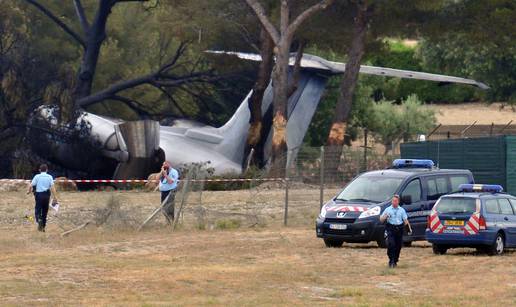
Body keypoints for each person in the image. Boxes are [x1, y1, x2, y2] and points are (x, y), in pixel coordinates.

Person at [380, 195, 412, 268]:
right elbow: (381, 219)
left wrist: (409, 230)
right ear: (391, 201)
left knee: (398, 246)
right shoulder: (387, 209)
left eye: (396, 201)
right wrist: (385, 217)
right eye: (393, 201)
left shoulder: (402, 210)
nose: (394, 202)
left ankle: (395, 260)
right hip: (391, 228)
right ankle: (391, 260)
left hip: (399, 229)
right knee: (391, 244)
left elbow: (406, 221)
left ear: (398, 202)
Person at [27, 164, 58, 232]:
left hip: (39, 195)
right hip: (47, 195)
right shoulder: (50, 177)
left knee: (37, 209)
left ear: (39, 170)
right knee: (45, 211)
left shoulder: (37, 176)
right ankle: (43, 227)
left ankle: (39, 220)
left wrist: (29, 191)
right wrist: (55, 197)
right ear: (47, 170)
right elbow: (52, 188)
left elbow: (31, 185)